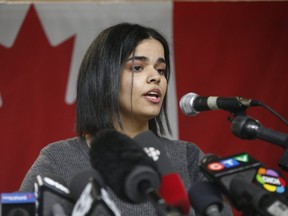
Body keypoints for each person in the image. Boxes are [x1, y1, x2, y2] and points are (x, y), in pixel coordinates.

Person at [19, 22, 232, 216]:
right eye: (137, 67)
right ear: (104, 78)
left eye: (161, 69)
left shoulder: (188, 156)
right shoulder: (58, 159)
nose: (156, 77)